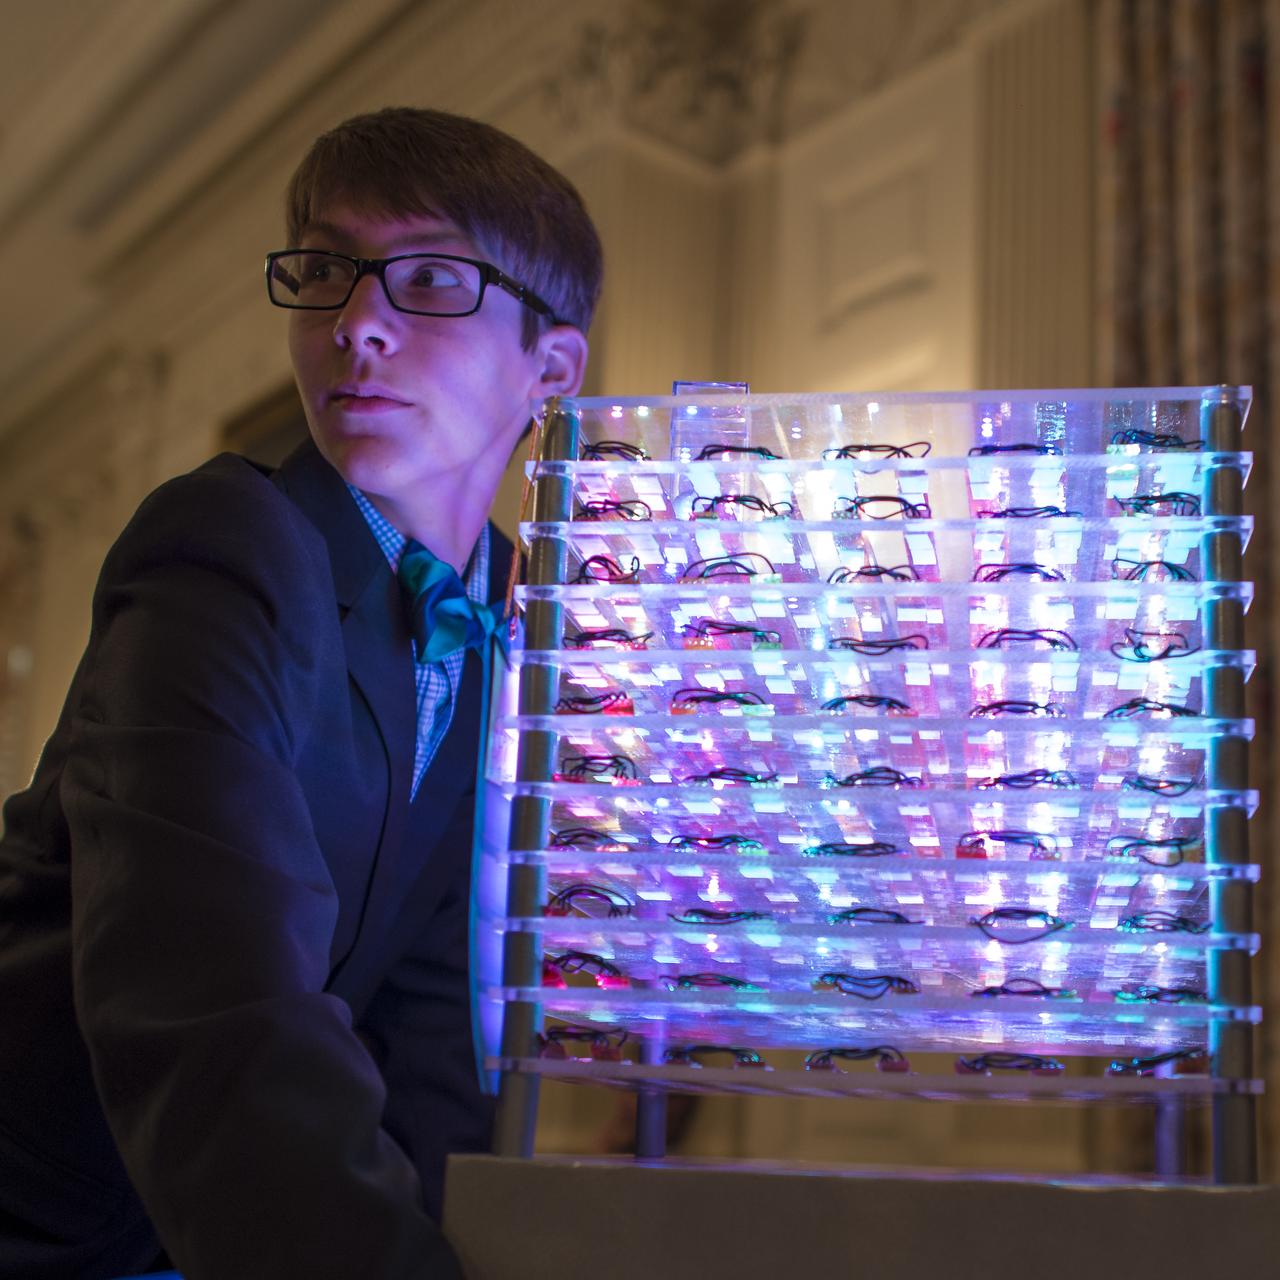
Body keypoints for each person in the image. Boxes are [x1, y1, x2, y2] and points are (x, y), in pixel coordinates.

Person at [0, 106, 602, 1279]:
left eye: (428, 279)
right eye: (326, 271)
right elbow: (210, 998)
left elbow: (431, 1034)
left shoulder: (506, 628)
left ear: (551, 368)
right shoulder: (223, 543)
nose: (353, 323)